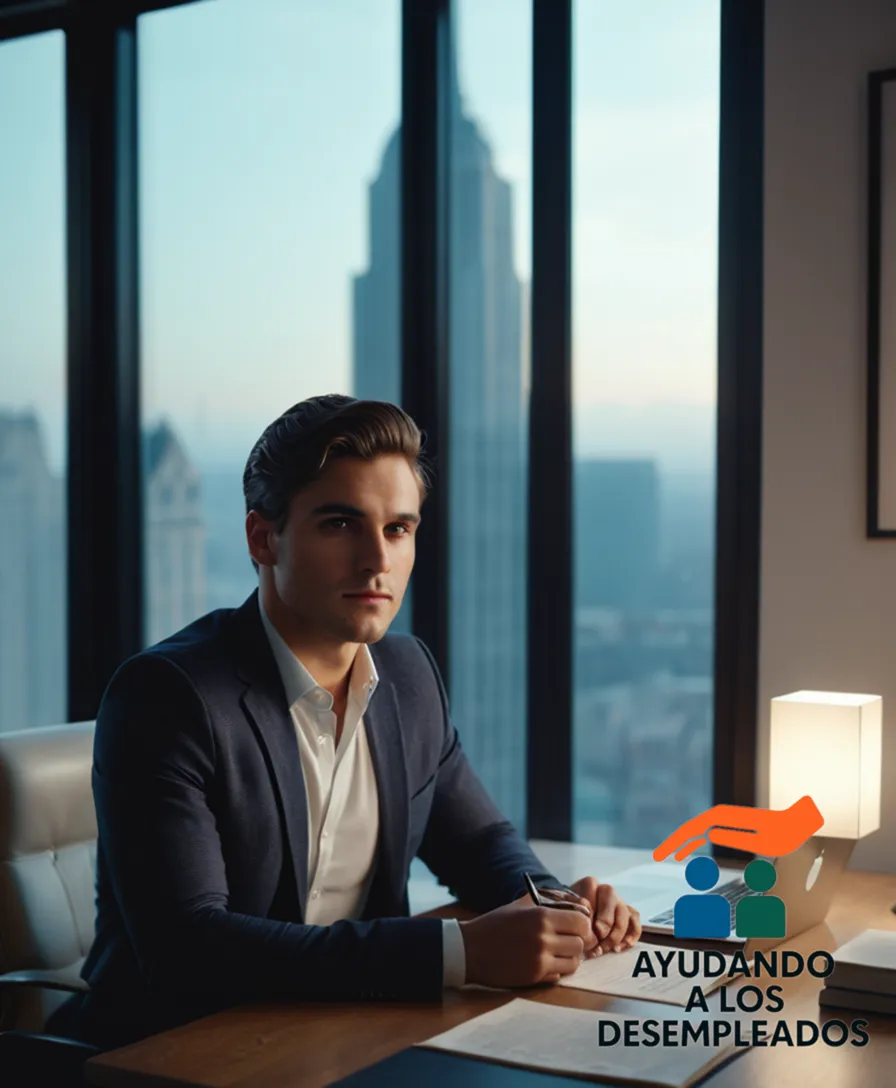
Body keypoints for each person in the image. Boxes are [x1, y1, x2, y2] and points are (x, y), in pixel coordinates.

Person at [49, 395, 641, 1050]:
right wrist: (459, 953)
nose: (377, 561)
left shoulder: (409, 676)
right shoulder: (168, 698)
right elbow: (190, 949)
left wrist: (560, 910)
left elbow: (478, 842)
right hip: (174, 1054)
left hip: (349, 1039)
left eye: (398, 529)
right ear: (262, 537)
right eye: (340, 524)